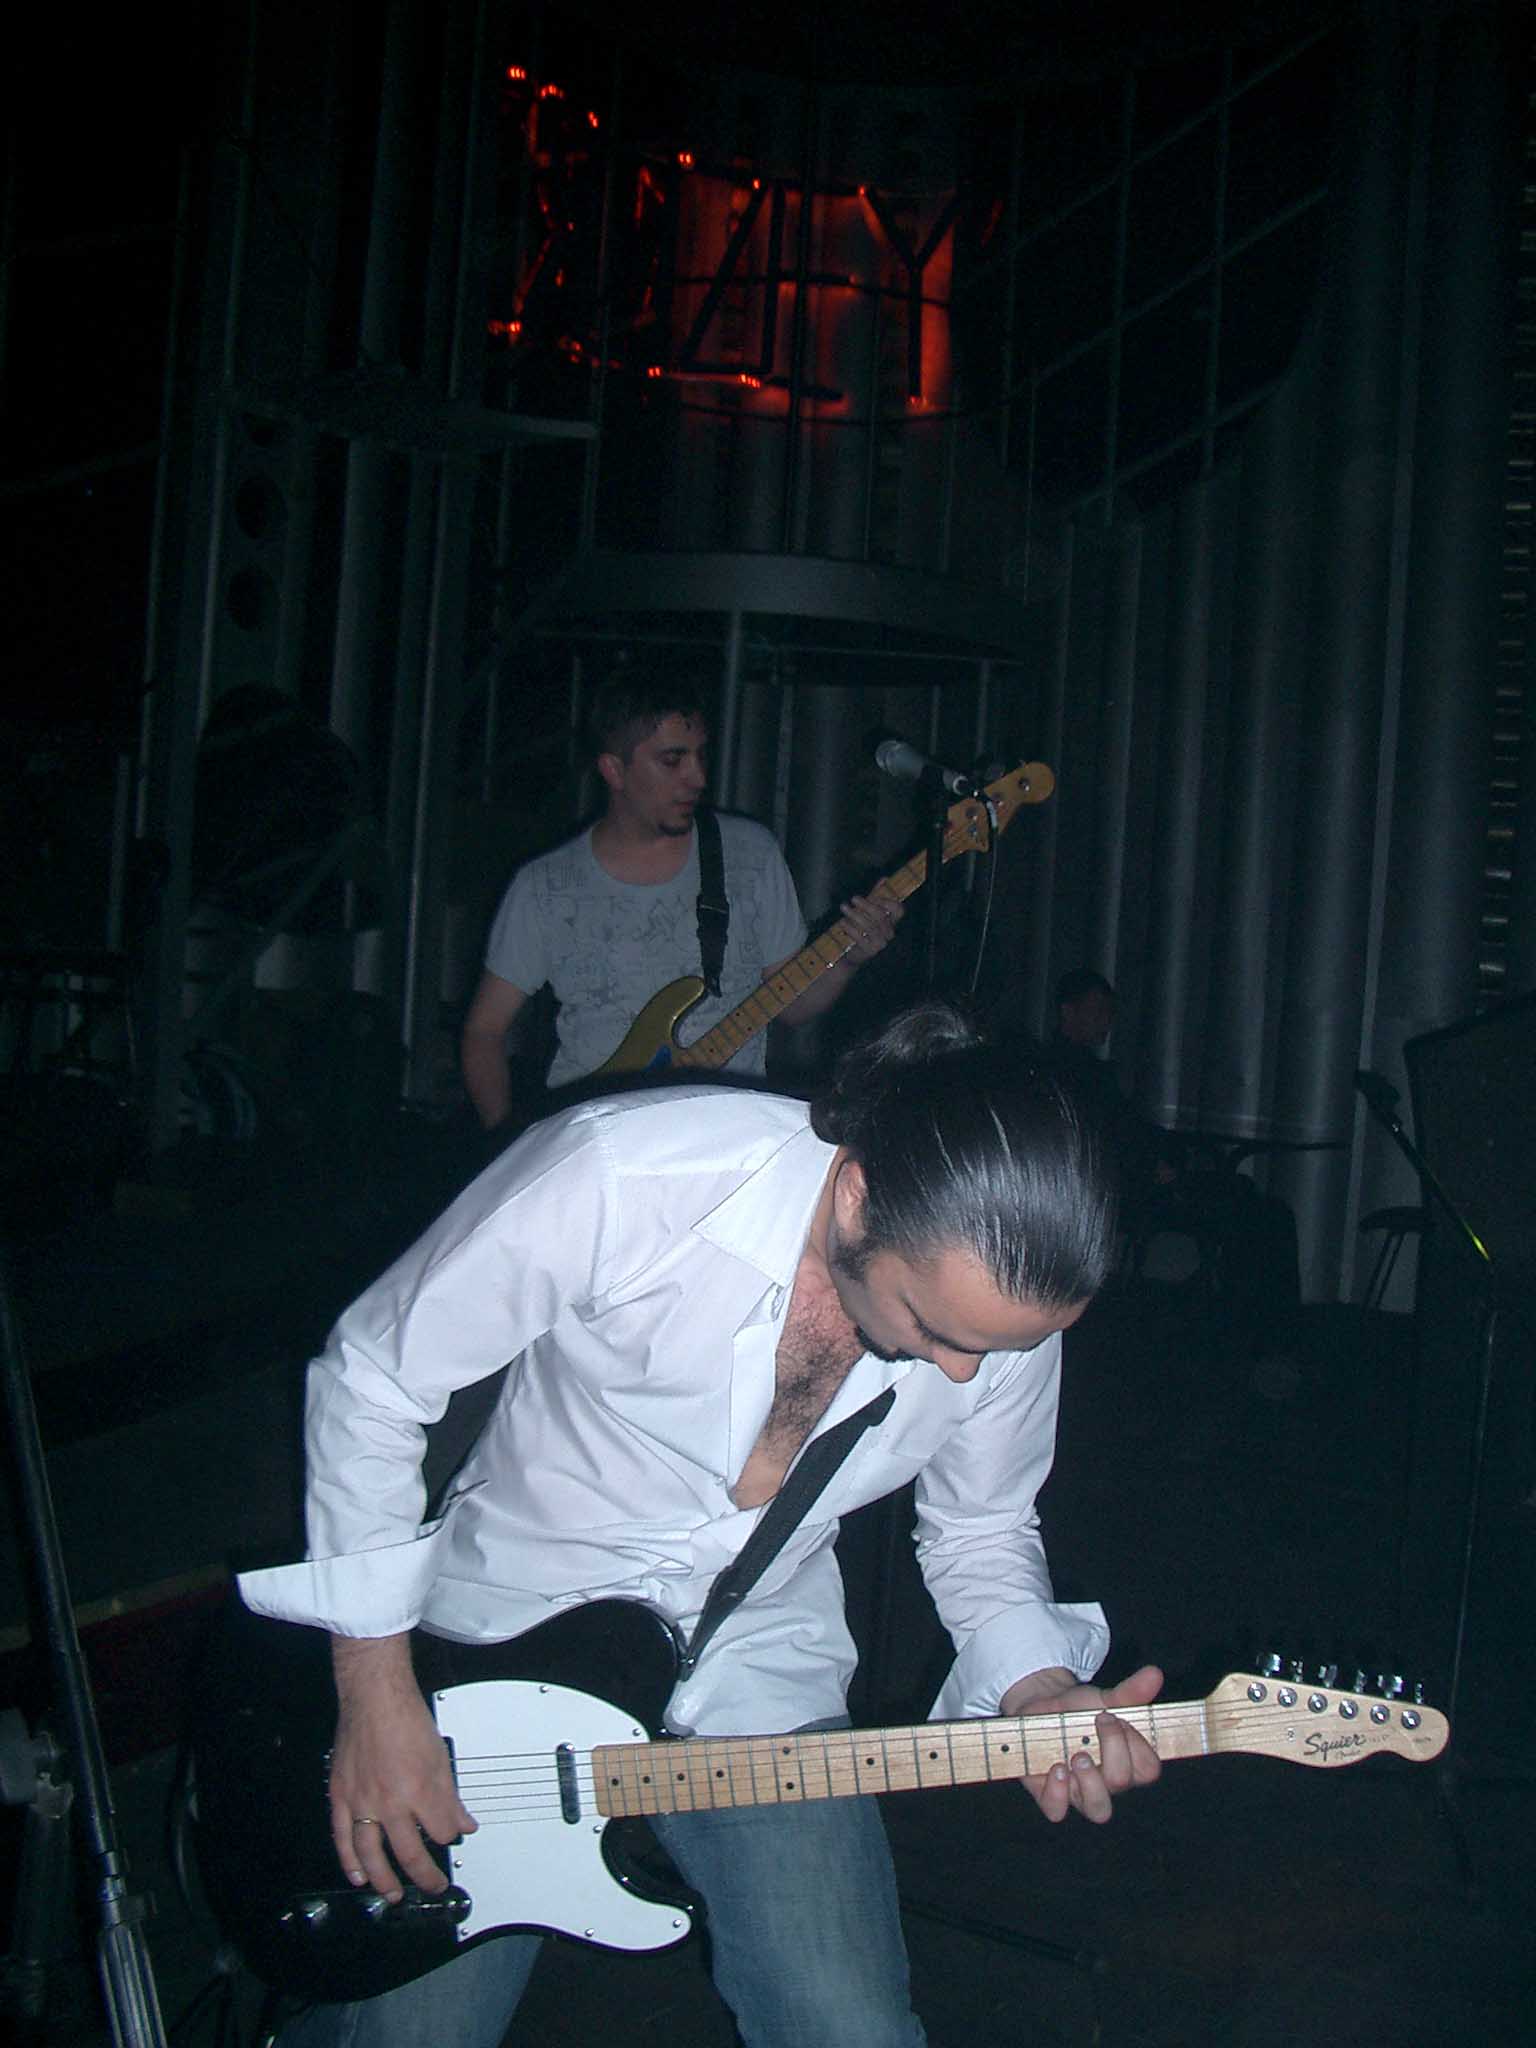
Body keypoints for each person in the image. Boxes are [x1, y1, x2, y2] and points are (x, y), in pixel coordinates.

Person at [239, 1000, 1164, 2048]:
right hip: (494, 1652)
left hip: (759, 1665)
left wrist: (1034, 1684)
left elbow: (982, 1526)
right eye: (933, 1328)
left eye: (991, 1351)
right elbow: (372, 1379)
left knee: (849, 2029)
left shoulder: (998, 1310)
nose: (962, 1373)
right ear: (858, 1193)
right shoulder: (624, 1176)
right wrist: (374, 1689)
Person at [460, 675, 901, 1128]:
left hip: (727, 1133)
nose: (698, 778)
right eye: (672, 760)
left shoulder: (749, 854)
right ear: (614, 770)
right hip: (595, 1138)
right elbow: (484, 1032)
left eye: (700, 756)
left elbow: (793, 1004)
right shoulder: (547, 885)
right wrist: (508, 1140)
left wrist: (849, 959)